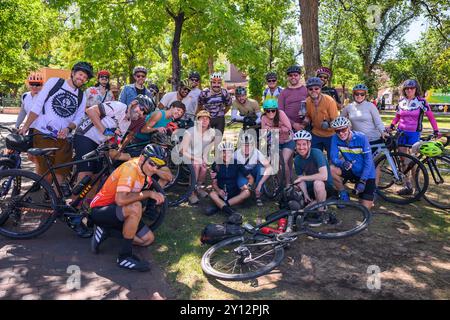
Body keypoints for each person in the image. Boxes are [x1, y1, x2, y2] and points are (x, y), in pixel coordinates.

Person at [89, 144, 166, 272]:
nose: (154, 169)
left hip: (119, 211)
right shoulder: (131, 169)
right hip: (101, 209)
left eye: (158, 166)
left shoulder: (144, 170)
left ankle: (107, 230)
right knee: (136, 206)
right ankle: (124, 257)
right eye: (152, 164)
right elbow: (121, 200)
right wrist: (149, 193)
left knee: (147, 239)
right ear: (142, 159)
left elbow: (166, 176)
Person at [18, 61, 93, 186]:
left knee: (61, 172)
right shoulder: (55, 82)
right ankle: (45, 197)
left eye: (85, 78)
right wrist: (26, 125)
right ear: (73, 73)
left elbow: (79, 117)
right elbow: (38, 105)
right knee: (45, 173)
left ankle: (56, 201)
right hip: (43, 134)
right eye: (80, 74)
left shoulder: (81, 95)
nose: (82, 79)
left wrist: (68, 129)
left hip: (63, 139)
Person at [73, 95, 155, 196]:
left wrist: (117, 151)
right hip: (85, 136)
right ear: (134, 103)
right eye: (141, 108)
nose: (141, 113)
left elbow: (113, 141)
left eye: (145, 112)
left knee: (97, 176)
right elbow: (90, 111)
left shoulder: (127, 123)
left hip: (99, 143)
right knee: (87, 173)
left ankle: (87, 205)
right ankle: (73, 203)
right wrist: (104, 130)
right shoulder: (118, 106)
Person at [388, 79, 441, 195]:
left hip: (414, 134)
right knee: (402, 161)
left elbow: (431, 117)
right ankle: (408, 186)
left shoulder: (421, 101)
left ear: (416, 89)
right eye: (407, 88)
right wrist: (391, 125)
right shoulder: (401, 101)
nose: (409, 90)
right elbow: (397, 116)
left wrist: (436, 130)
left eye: (412, 88)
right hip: (401, 133)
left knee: (413, 161)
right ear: (404, 90)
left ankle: (417, 188)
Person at [329, 117, 376, 209]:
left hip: (366, 173)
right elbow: (333, 157)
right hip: (351, 169)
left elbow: (368, 161)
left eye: (343, 129)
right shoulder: (335, 138)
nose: (341, 133)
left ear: (349, 127)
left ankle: (372, 191)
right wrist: (342, 163)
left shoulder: (361, 137)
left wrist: (363, 180)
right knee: (331, 169)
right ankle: (343, 193)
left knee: (364, 208)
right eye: (337, 131)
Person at [205, 141, 252, 216]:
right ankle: (231, 212)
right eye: (224, 152)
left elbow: (250, 178)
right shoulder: (216, 164)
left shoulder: (237, 163)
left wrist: (248, 186)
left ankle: (219, 207)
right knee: (212, 194)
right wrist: (219, 190)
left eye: (229, 152)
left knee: (247, 193)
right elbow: (214, 183)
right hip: (222, 193)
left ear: (232, 153)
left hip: (234, 193)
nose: (226, 155)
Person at [180, 110, 217, 204]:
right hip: (186, 156)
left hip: (199, 156)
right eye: (202, 118)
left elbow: (208, 148)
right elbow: (182, 151)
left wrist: (204, 158)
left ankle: (199, 188)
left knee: (204, 168)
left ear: (209, 121)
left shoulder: (212, 132)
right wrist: (196, 158)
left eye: (207, 119)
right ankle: (191, 192)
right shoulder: (190, 132)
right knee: (196, 165)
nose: (204, 121)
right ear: (197, 120)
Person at [292, 130, 334, 205]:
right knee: (295, 188)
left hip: (325, 186)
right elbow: (300, 179)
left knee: (317, 183)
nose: (301, 147)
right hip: (311, 186)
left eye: (304, 144)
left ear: (309, 144)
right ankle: (311, 203)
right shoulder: (297, 160)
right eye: (298, 144)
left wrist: (303, 178)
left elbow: (324, 176)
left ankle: (321, 211)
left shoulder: (316, 153)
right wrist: (305, 195)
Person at [260, 99, 295, 185]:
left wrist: (273, 129)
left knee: (284, 162)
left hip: (288, 140)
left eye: (273, 110)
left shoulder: (281, 114)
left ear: (276, 110)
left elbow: (288, 129)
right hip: (275, 141)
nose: (271, 112)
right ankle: (280, 184)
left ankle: (288, 184)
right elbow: (264, 134)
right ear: (265, 111)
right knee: (278, 164)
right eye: (268, 111)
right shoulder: (263, 118)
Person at [304, 77, 339, 157]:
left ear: (320, 89)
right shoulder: (307, 101)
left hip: (330, 135)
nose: (313, 91)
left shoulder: (330, 101)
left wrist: (329, 124)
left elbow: (336, 121)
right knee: (315, 158)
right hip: (316, 134)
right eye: (310, 89)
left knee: (333, 159)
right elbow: (308, 116)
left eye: (316, 88)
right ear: (307, 90)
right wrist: (306, 119)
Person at [234, 134, 272, 207]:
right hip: (242, 173)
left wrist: (260, 184)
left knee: (261, 168)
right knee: (244, 186)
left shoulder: (256, 152)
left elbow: (269, 167)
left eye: (249, 145)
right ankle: (243, 195)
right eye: (244, 145)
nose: (247, 148)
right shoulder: (236, 155)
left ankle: (258, 195)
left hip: (253, 171)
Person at [278, 65, 308, 132]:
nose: (293, 77)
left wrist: (305, 123)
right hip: (288, 126)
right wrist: (293, 124)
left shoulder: (307, 90)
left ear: (300, 76)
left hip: (306, 126)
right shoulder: (283, 93)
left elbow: (312, 107)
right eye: (290, 75)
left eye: (295, 75)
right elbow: (280, 112)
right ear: (288, 77)